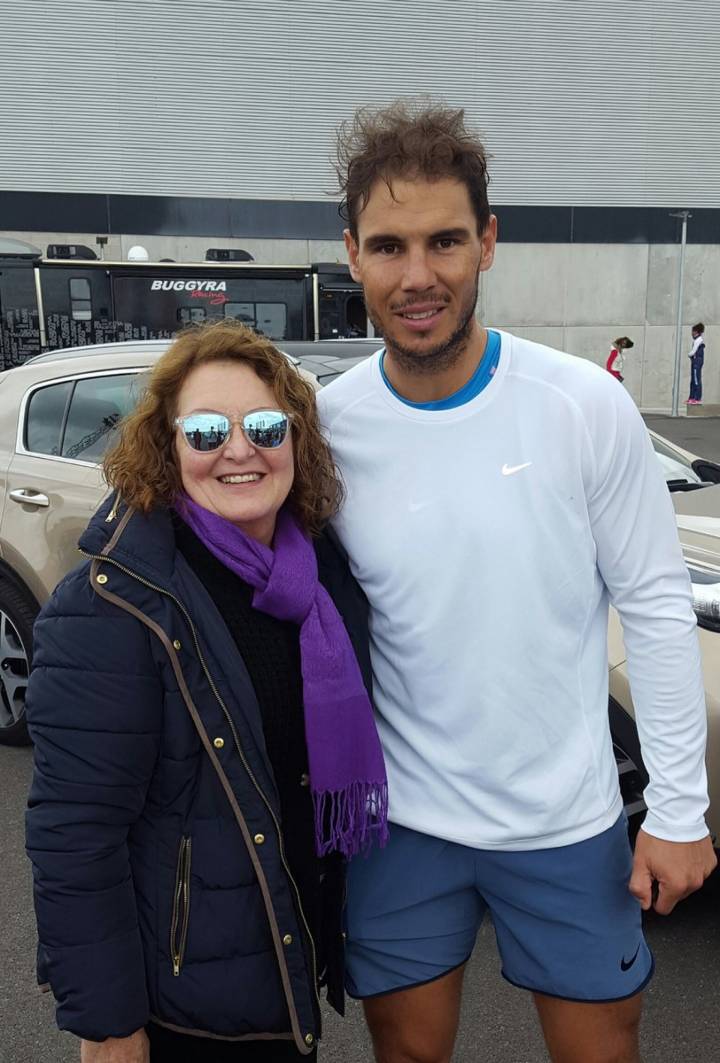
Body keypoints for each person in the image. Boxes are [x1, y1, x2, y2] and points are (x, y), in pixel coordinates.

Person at [317, 101, 716, 1063]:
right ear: (352, 254)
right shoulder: (325, 427)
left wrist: (678, 811)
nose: (419, 276)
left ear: (489, 242)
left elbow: (657, 607)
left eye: (446, 240)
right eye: (390, 246)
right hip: (401, 823)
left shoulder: (582, 405)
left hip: (565, 822)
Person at [25, 320, 388, 1063]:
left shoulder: (318, 576)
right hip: (184, 1012)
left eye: (263, 425)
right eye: (204, 432)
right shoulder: (115, 606)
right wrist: (108, 1025)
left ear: (296, 438)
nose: (239, 449)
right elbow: (75, 837)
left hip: (280, 984)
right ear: (166, 445)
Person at [687, 322, 706, 404]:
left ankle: (697, 398)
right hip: (695, 361)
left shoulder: (698, 340)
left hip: (697, 362)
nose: (692, 333)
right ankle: (692, 397)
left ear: (696, 332)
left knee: (696, 380)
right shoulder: (697, 340)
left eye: (693, 331)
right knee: (693, 380)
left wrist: (689, 354)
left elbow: (693, 351)